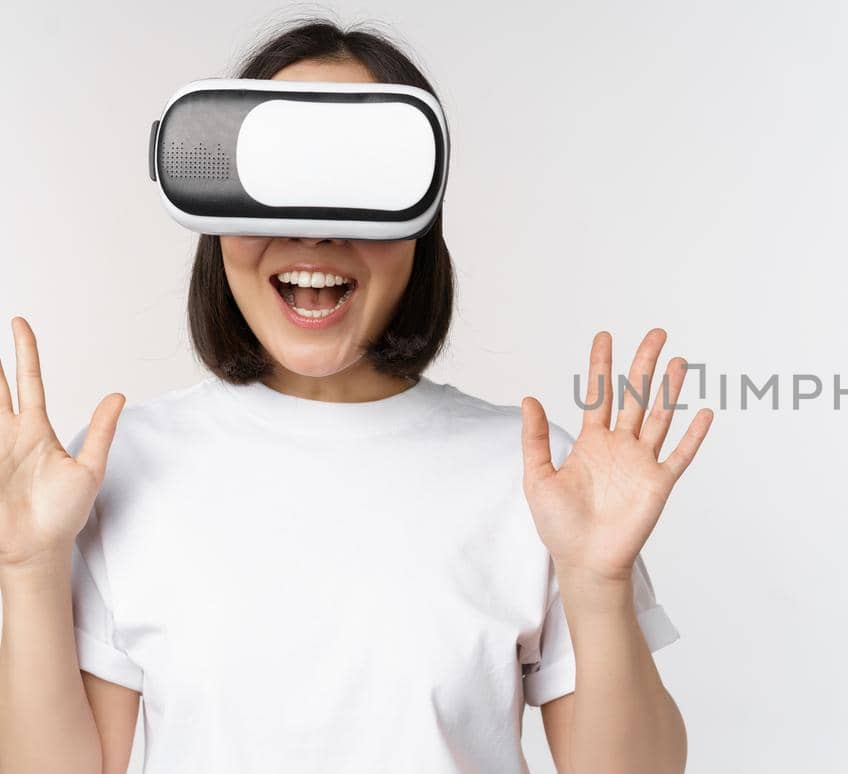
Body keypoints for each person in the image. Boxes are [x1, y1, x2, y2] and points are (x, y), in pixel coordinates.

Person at [0, 19, 710, 774]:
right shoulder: (122, 471)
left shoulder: (538, 481)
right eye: (279, 181)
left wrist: (597, 586)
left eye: (359, 180)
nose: (315, 232)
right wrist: (29, 569)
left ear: (420, 223)